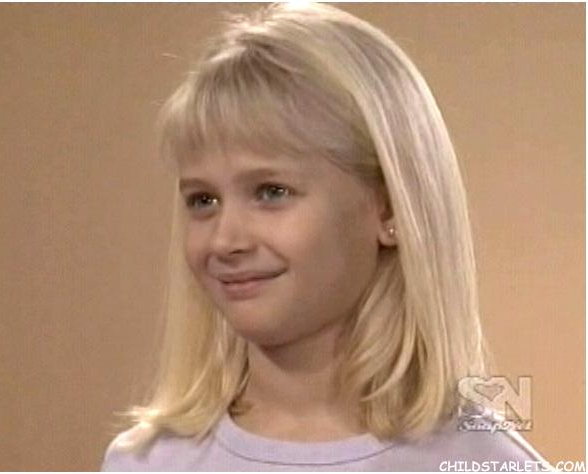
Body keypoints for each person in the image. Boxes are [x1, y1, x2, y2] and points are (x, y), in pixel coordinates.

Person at [101, 2, 549, 471]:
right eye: (203, 200)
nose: (224, 241)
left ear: (390, 207)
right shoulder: (145, 462)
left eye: (271, 192)